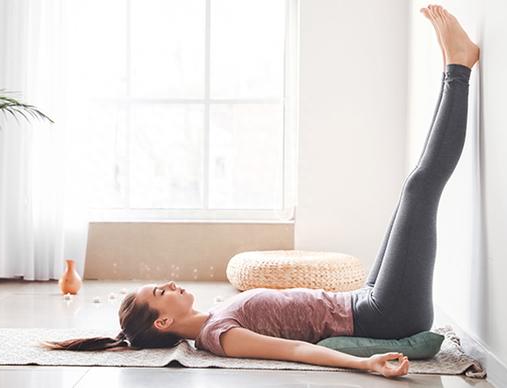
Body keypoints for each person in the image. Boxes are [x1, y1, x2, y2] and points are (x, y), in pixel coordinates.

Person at [41, 4, 480, 379]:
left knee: (411, 190)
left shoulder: (216, 316)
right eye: (160, 291)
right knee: (422, 188)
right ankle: (458, 67)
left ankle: (453, 65)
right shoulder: (220, 335)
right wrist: (367, 365)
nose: (168, 283)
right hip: (384, 315)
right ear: (165, 320)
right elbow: (296, 352)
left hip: (365, 300)